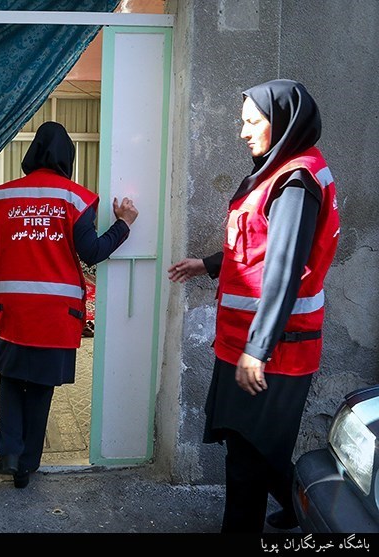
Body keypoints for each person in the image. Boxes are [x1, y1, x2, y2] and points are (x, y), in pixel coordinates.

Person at [168, 80, 339, 533]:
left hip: (276, 349)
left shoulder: (295, 181)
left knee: (248, 460)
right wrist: (207, 264)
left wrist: (257, 350)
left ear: (280, 122)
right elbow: (259, 249)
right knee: (257, 450)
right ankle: (308, 511)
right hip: (252, 343)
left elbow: (284, 269)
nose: (242, 133)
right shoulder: (278, 173)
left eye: (251, 122)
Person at [0, 121, 138, 488]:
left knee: (10, 377)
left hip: (14, 307)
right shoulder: (76, 198)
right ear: (67, 157)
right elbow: (91, 252)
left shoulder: (2, 196)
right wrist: (124, 225)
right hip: (56, 312)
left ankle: (8, 450)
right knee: (40, 388)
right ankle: (25, 466)